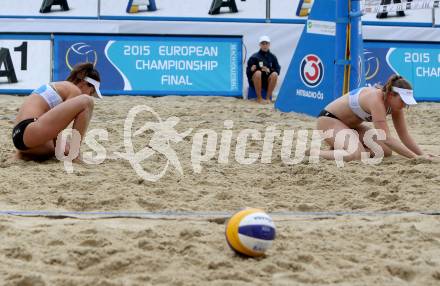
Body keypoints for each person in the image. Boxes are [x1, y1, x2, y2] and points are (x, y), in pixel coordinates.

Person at [313, 74, 435, 162]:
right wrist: (415, 158)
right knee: (355, 155)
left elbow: (404, 136)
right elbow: (386, 137)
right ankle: (313, 153)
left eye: (407, 102)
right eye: (403, 101)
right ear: (391, 95)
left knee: (385, 151)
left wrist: (423, 155)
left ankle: (342, 148)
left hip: (351, 127)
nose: (405, 105)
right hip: (328, 121)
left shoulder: (395, 106)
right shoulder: (376, 99)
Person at [12, 62, 102, 161]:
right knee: (87, 101)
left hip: (20, 137)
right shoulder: (74, 90)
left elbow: (53, 129)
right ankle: (75, 155)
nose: (90, 94)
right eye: (91, 91)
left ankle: (24, 155)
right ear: (84, 84)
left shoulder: (59, 86)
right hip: (30, 130)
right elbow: (58, 131)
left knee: (60, 148)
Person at [246, 35, 281, 104]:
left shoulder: (272, 57)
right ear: (260, 45)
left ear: (269, 44)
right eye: (263, 43)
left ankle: (268, 98)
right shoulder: (254, 57)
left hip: (267, 81)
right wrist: (251, 70)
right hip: (255, 81)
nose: (265, 45)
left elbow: (278, 70)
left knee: (274, 74)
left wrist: (269, 70)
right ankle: (259, 98)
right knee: (258, 73)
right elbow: (248, 73)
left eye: (266, 43)